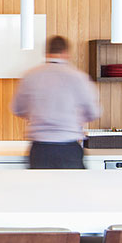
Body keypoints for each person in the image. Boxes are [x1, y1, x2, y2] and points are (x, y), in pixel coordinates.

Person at [10, 35, 101, 169]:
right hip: (69, 147)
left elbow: (17, 109)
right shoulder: (78, 77)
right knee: (72, 189)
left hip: (40, 149)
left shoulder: (30, 76)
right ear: (66, 53)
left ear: (46, 53)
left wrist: (34, 113)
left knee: (40, 190)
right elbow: (94, 112)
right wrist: (79, 118)